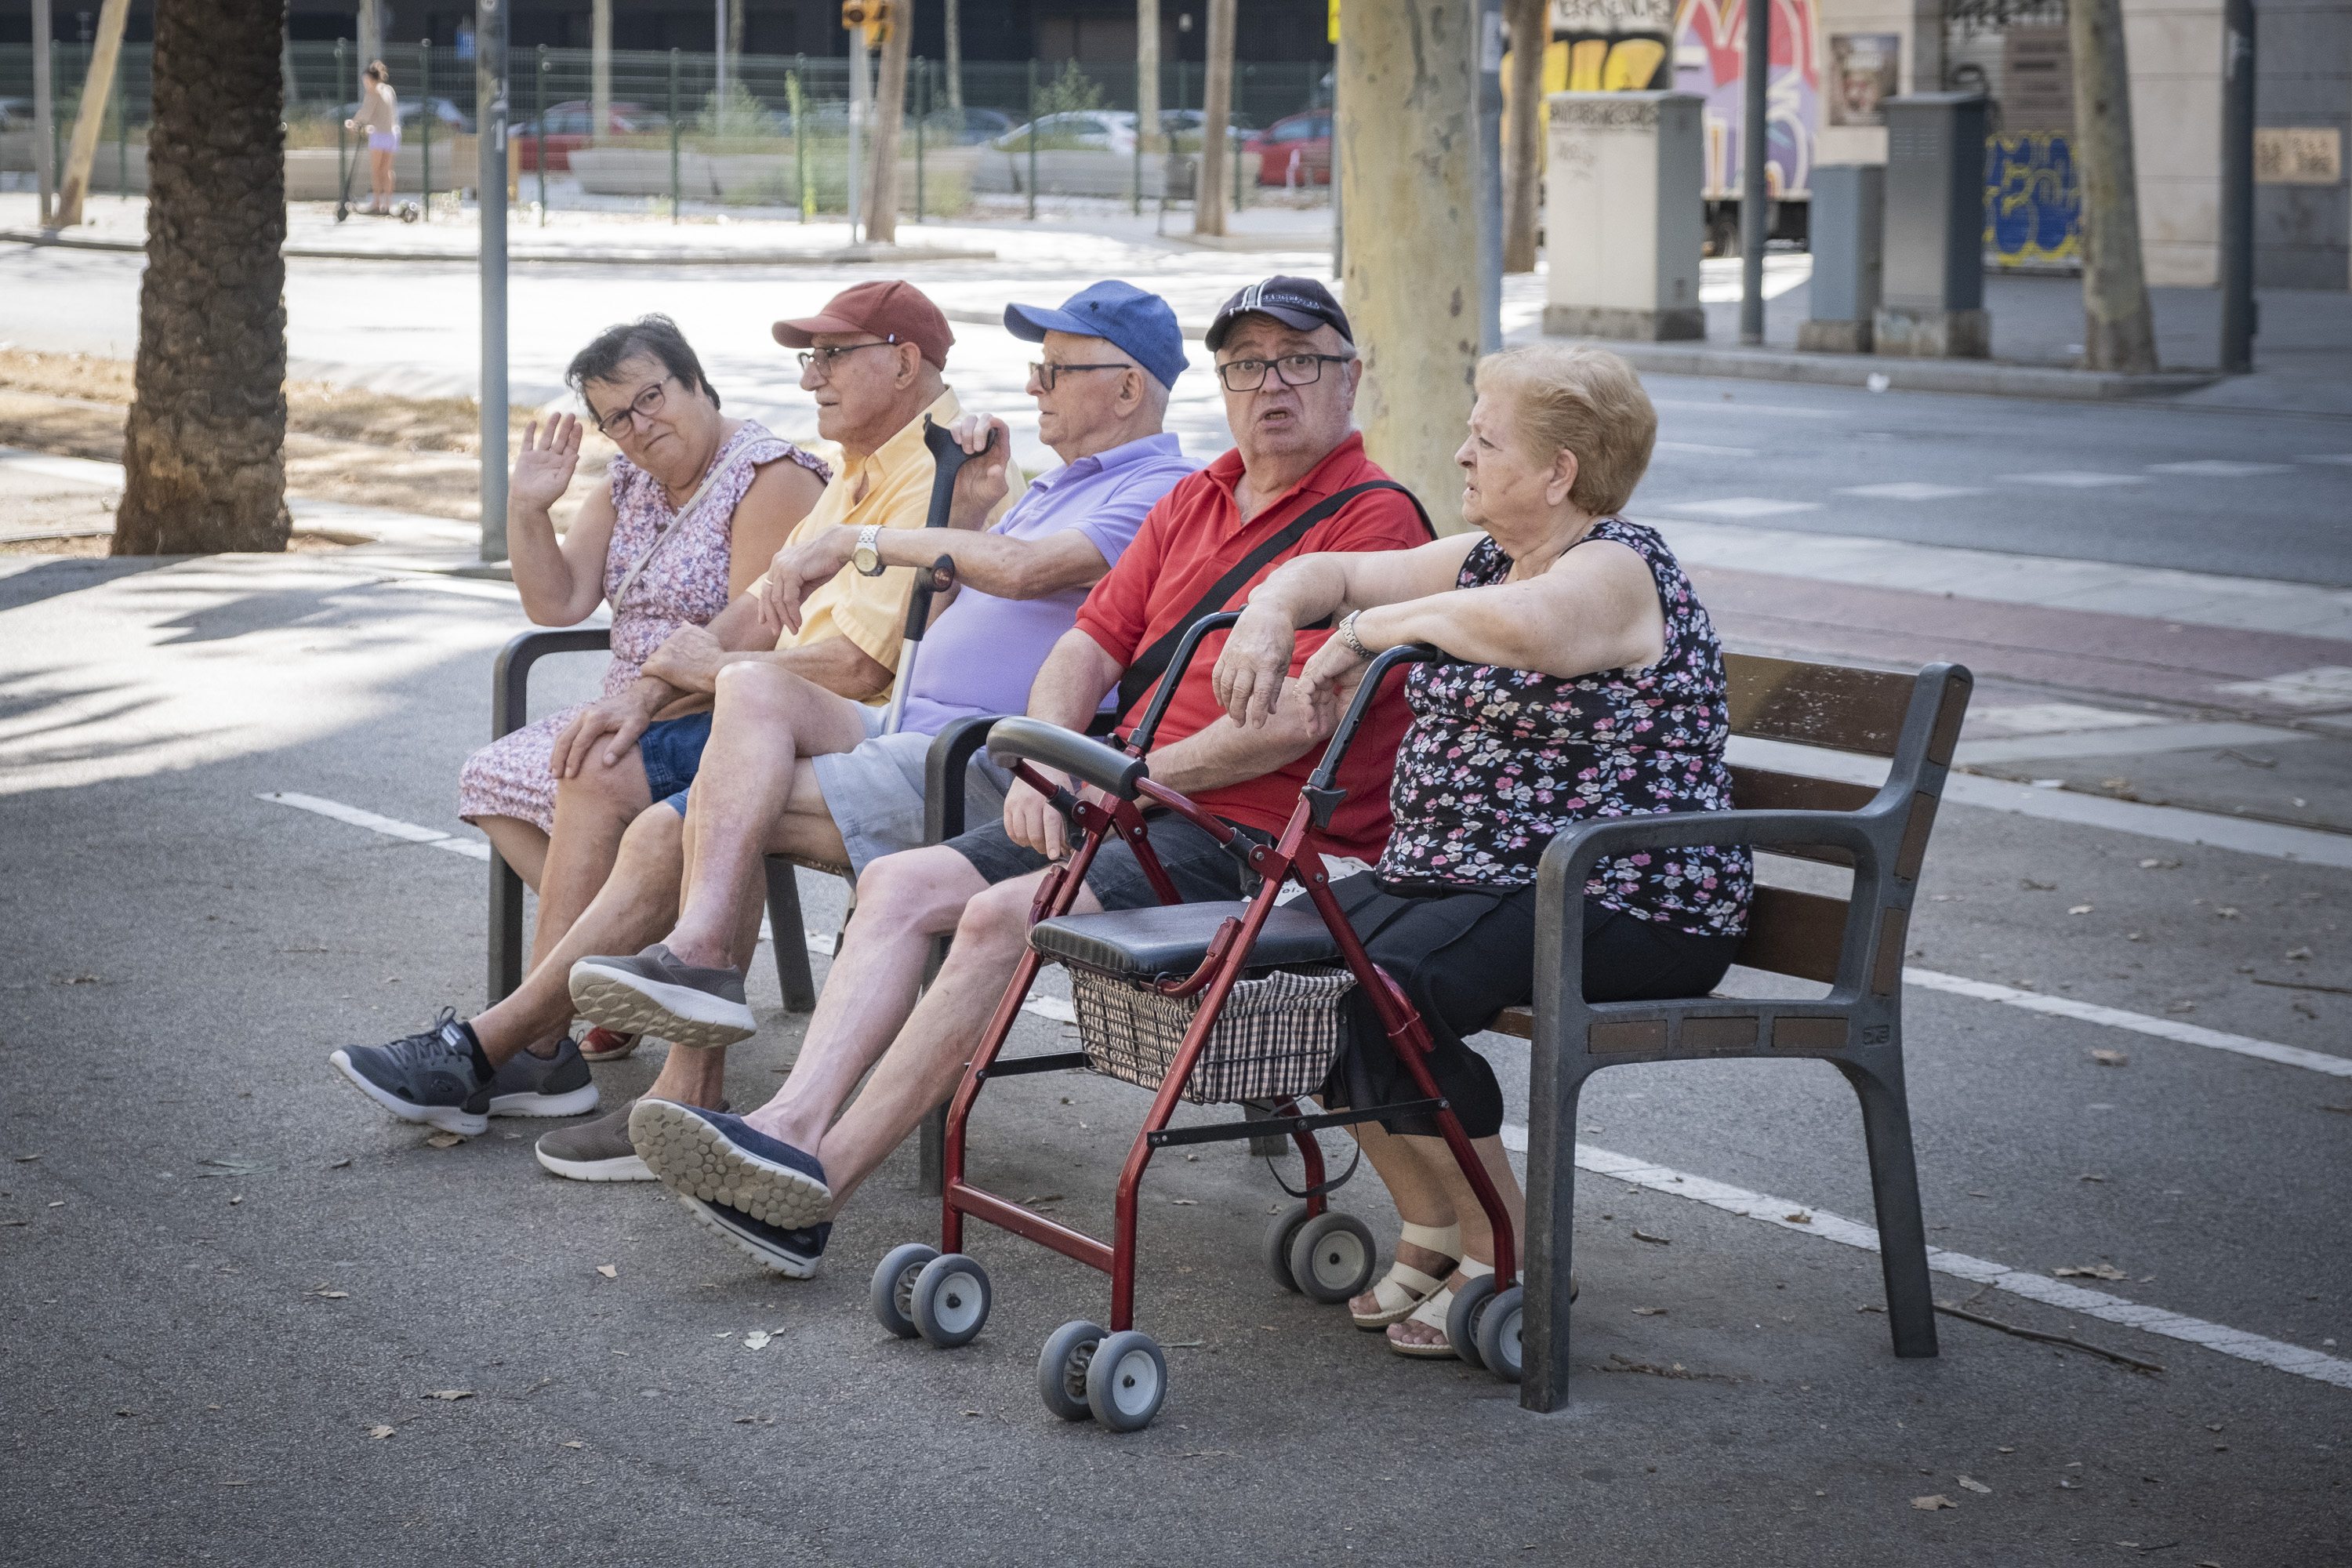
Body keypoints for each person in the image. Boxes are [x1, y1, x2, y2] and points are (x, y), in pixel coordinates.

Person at [588, 275, 1436, 1280]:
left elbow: (1297, 718)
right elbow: (1090, 638)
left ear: (1351, 376)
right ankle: (783, 1119)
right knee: (900, 883)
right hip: (1128, 799)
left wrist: (1111, 776)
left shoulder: (1374, 519)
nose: (1272, 386)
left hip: (1250, 837)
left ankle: (815, 1183)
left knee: (995, 916)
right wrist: (1044, 757)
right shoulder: (1198, 496)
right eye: (1248, 365)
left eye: (1301, 361)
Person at [524, 281, 1199, 1181]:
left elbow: (1030, 573)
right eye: (1035, 368)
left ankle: (530, 1046)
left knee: (671, 820)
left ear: (1126, 389)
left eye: (1055, 369)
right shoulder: (1057, 484)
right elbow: (955, 595)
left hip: (970, 754)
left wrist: (863, 539)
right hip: (904, 731)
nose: (1033, 388)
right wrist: (974, 506)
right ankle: (685, 971)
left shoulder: (1160, 486)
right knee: (750, 697)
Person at [328, 281, 1005, 1140]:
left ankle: (547, 1044)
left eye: (833, 356)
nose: (811, 380)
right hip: (766, 711)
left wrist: (689, 680)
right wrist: (643, 694)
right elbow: (748, 608)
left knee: (646, 780)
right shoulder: (864, 470)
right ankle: (590, 1040)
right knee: (618, 765)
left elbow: (856, 663)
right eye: (618, 415)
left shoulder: (932, 468)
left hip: (869, 731)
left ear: (905, 361)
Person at [1211, 341, 1753, 1358]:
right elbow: (1333, 569)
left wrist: (1368, 633)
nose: (1459, 454)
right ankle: (1434, 1222)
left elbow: (1529, 632)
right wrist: (1279, 608)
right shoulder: (1481, 560)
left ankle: (1511, 1251)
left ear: (1559, 473)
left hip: (1627, 896)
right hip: (1473, 874)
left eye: (1485, 437)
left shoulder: (1617, 570)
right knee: (1287, 962)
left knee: (1393, 989)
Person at [344, 62, 400, 215]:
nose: (366, 84)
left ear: (372, 79)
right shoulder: (388, 90)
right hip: (393, 134)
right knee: (387, 170)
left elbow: (365, 113)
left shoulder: (373, 92)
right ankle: (387, 205)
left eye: (366, 81)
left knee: (376, 171)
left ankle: (376, 203)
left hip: (379, 136)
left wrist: (352, 123)